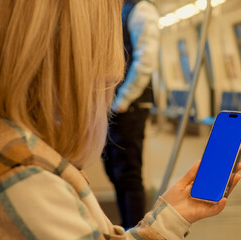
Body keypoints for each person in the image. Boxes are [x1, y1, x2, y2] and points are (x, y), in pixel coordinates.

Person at [0, 1, 241, 239]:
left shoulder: (1, 143)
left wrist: (175, 212)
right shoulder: (24, 181)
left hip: (132, 110)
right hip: (127, 110)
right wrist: (122, 103)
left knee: (127, 174)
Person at [102, 0, 159, 229]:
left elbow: (145, 61)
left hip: (129, 107)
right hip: (114, 106)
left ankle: (135, 229)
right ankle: (126, 226)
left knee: (128, 172)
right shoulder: (119, 10)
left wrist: (122, 100)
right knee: (114, 170)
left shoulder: (141, 10)